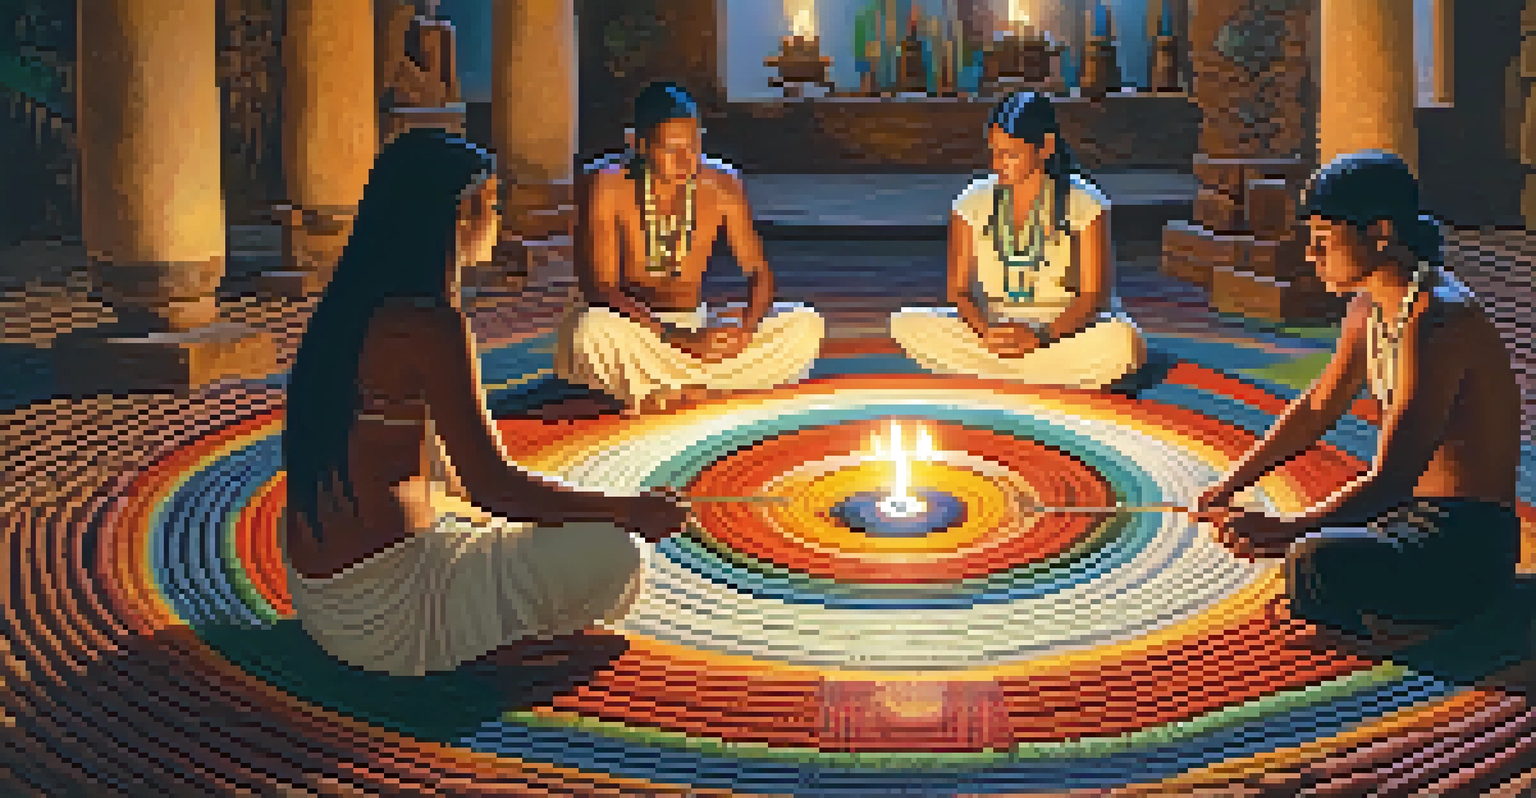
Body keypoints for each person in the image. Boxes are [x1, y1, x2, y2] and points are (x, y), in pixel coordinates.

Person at [281, 128, 689, 678]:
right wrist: (628, 511)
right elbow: (491, 486)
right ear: (455, 218)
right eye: (492, 204)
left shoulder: (351, 305)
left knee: (537, 529)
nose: (501, 219)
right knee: (616, 556)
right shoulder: (429, 327)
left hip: (318, 594)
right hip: (384, 611)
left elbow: (452, 482)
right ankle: (484, 653)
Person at [1193, 150, 1523, 651]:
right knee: (1314, 546)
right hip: (1407, 516)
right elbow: (1317, 408)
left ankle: (1389, 638)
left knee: (1313, 557)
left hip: (1463, 543)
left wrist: (1283, 533)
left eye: (1323, 242)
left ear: (1381, 234)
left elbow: (1391, 480)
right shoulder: (1369, 303)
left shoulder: (1437, 320)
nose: (1310, 255)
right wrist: (1232, 483)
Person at [554, 81, 826, 416]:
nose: (686, 160)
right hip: (634, 329)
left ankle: (669, 389)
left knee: (805, 324)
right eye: (671, 149)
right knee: (590, 333)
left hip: (695, 327)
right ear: (638, 144)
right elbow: (600, 289)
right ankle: (710, 387)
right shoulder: (607, 184)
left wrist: (745, 329)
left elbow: (758, 271)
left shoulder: (722, 183)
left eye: (694, 146)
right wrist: (676, 340)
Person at [888, 91, 1146, 389]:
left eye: (1010, 154)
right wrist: (986, 331)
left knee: (1123, 342)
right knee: (907, 323)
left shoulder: (1086, 203)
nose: (998, 164)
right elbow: (959, 291)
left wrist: (1040, 336)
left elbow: (1094, 298)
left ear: (1045, 147)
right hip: (994, 331)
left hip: (1064, 333)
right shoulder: (971, 202)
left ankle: (998, 373)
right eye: (994, 152)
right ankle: (1043, 375)